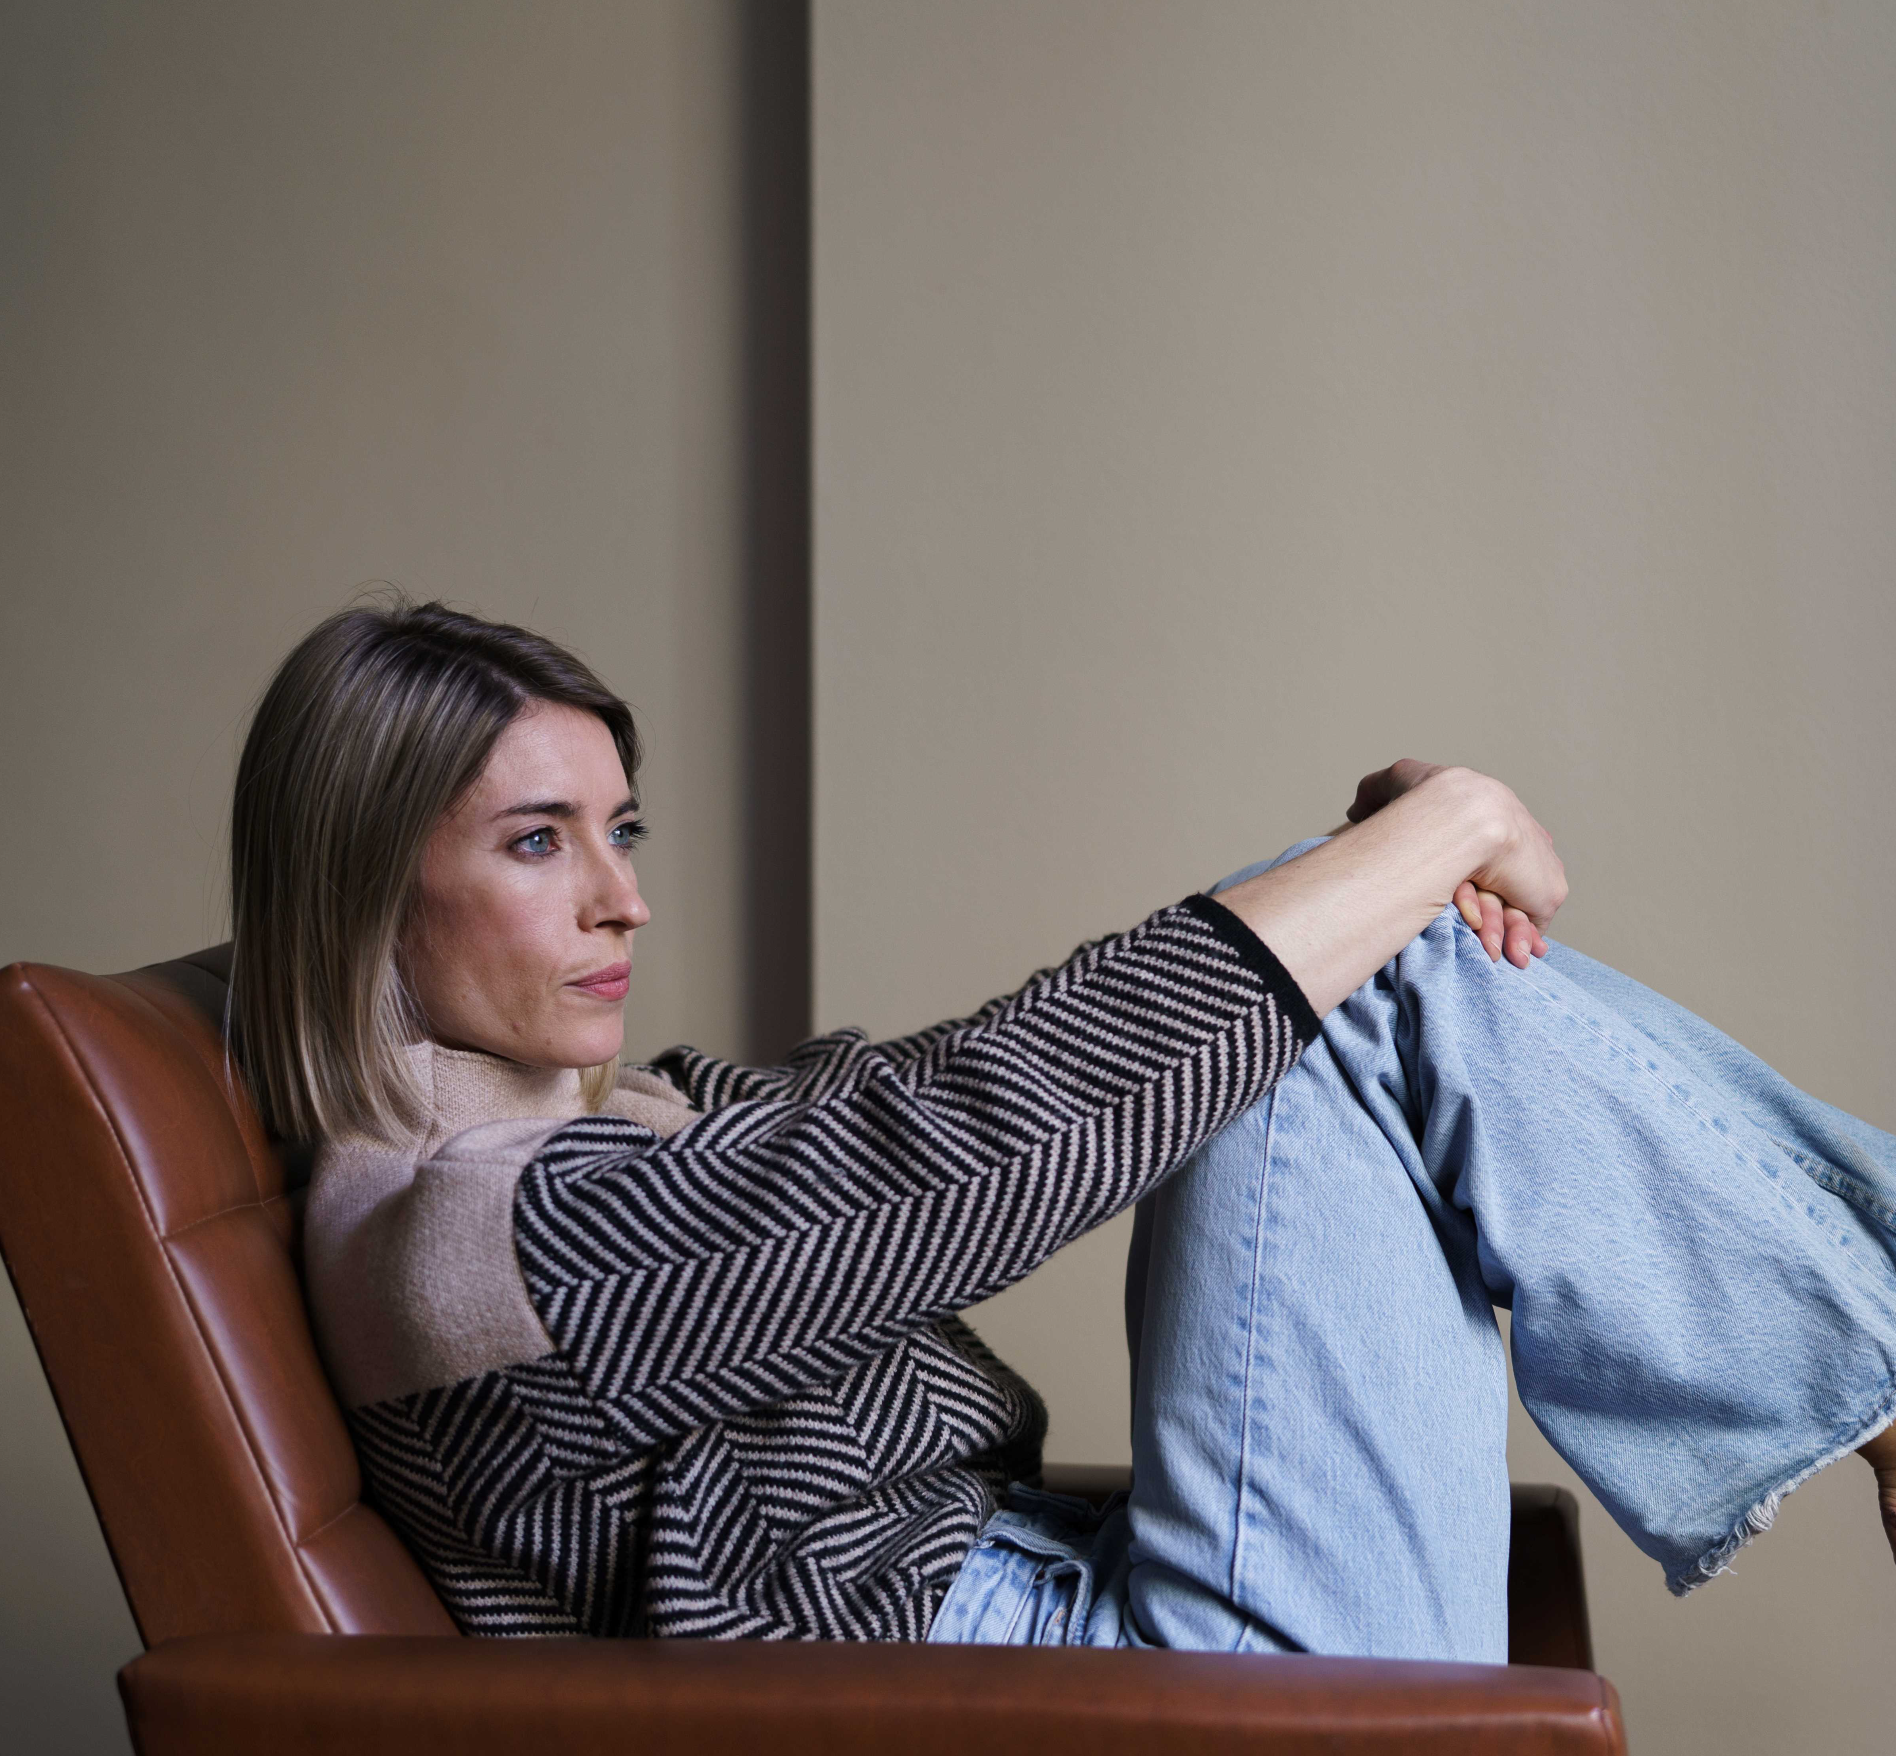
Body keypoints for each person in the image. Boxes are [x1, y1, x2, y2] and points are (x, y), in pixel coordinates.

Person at [231, 599, 1896, 1661]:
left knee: (1341, 950)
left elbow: (910, 1096)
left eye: (623, 829)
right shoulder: (478, 1249)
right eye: (539, 842)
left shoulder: (586, 1148)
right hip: (1120, 1722)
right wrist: (1441, 831)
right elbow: (960, 1151)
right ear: (366, 887)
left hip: (1103, 1637)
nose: (624, 899)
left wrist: (1359, 878)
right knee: (1329, 970)